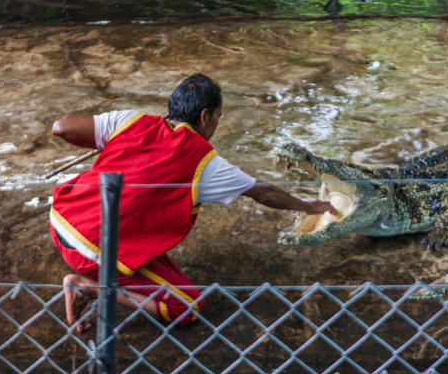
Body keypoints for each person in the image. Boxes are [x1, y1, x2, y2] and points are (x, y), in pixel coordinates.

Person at [50, 74, 336, 332]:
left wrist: (109, 142)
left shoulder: (130, 121)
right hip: (90, 251)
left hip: (62, 219)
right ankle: (90, 287)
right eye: (218, 117)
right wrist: (310, 206)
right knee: (186, 307)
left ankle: (96, 278)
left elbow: (61, 128)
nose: (217, 124)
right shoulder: (206, 163)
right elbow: (265, 193)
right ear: (204, 116)